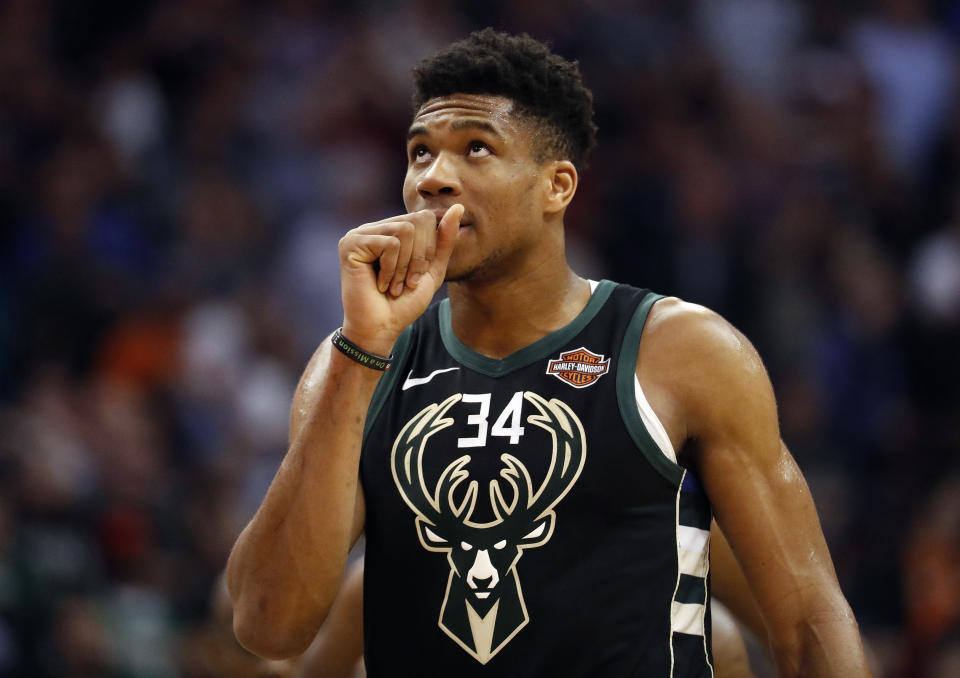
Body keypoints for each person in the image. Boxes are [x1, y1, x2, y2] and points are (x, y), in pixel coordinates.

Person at [226, 29, 871, 676]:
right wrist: (361, 348)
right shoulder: (357, 365)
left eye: (475, 150)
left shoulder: (682, 349)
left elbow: (808, 619)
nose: (433, 178)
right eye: (419, 153)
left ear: (556, 187)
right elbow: (268, 625)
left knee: (723, 643)